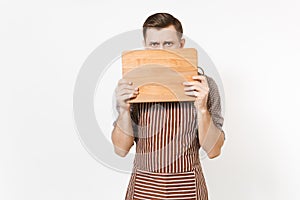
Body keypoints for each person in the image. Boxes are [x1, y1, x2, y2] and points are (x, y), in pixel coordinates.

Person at [111, 13, 225, 200]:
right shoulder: (131, 86)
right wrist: (123, 110)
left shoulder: (204, 85)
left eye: (168, 44)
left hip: (187, 188)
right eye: (154, 44)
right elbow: (120, 150)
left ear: (181, 45)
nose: (161, 51)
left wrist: (202, 109)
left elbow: (214, 150)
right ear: (145, 46)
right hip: (144, 188)